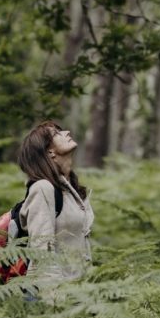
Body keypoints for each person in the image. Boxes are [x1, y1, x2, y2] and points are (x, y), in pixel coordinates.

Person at [17, 120, 94, 293]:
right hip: (56, 297)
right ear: (50, 152)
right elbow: (42, 251)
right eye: (56, 134)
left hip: (79, 294)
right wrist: (53, 305)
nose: (66, 132)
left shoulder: (71, 191)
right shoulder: (43, 189)